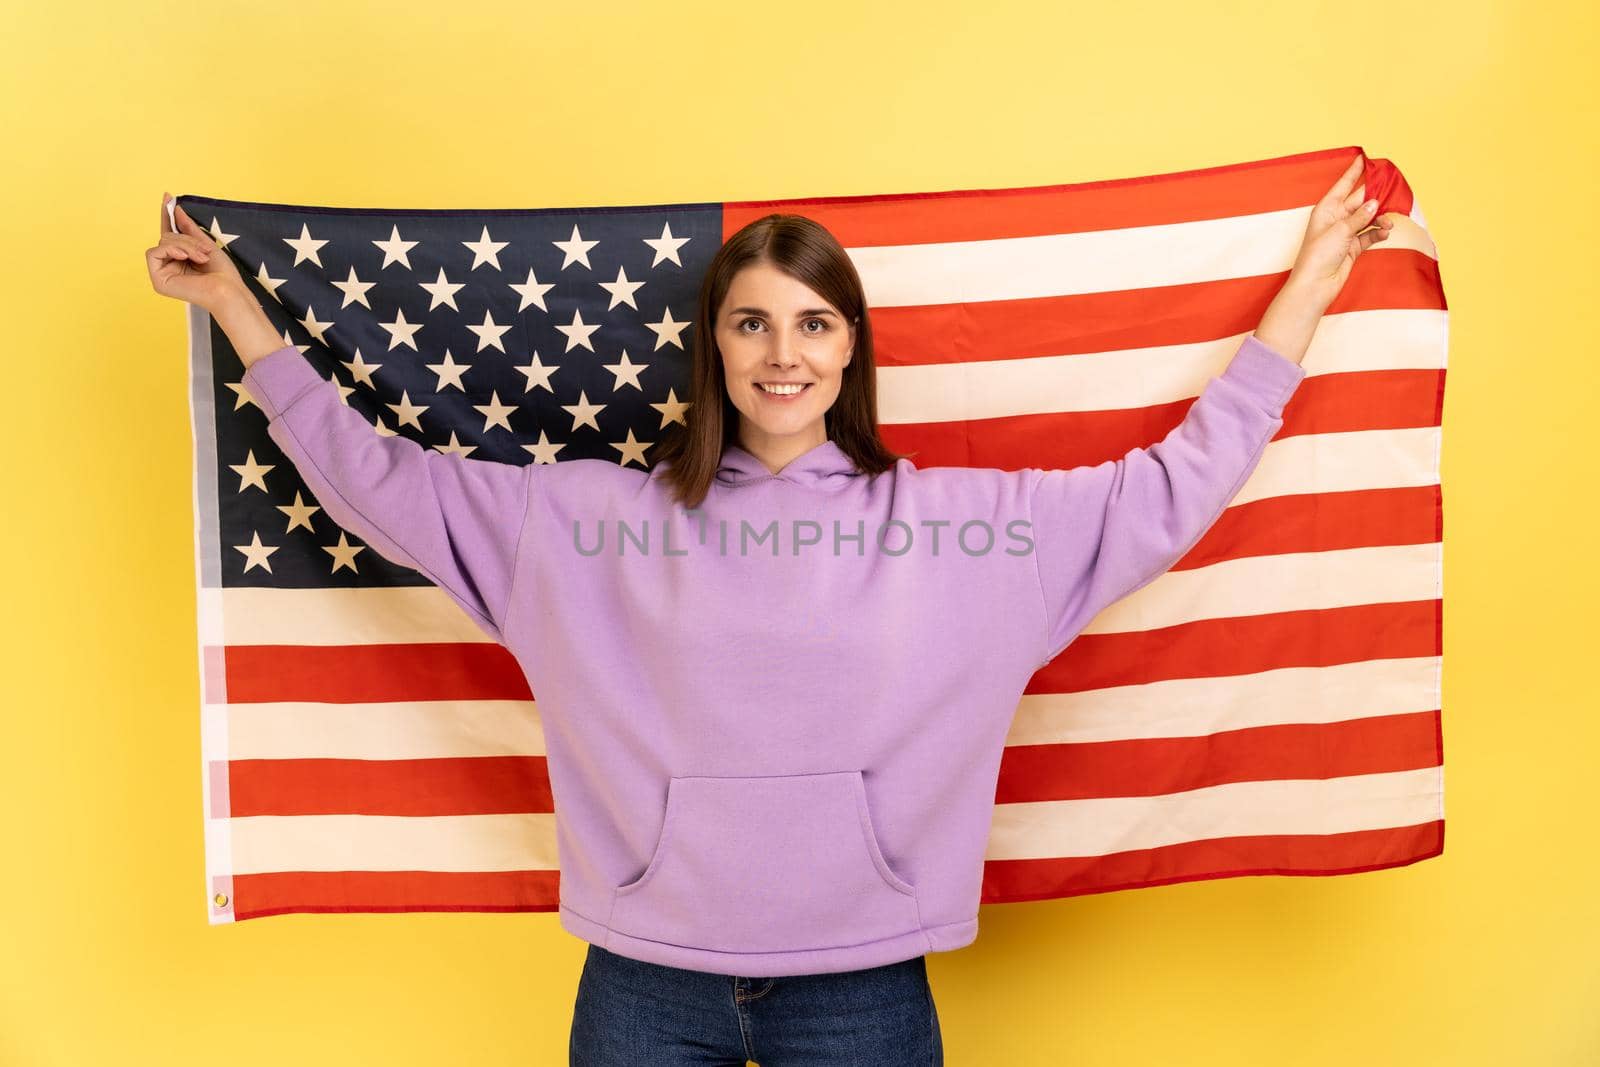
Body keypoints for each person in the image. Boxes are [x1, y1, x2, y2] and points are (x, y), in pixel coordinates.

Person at [147, 156, 1390, 1066]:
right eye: (750, 321)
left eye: (811, 322)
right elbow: (382, 481)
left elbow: (1174, 486)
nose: (780, 352)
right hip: (643, 984)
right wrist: (237, 309)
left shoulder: (965, 529)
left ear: (850, 348)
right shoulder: (585, 525)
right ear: (716, 347)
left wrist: (1309, 291)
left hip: (863, 987)